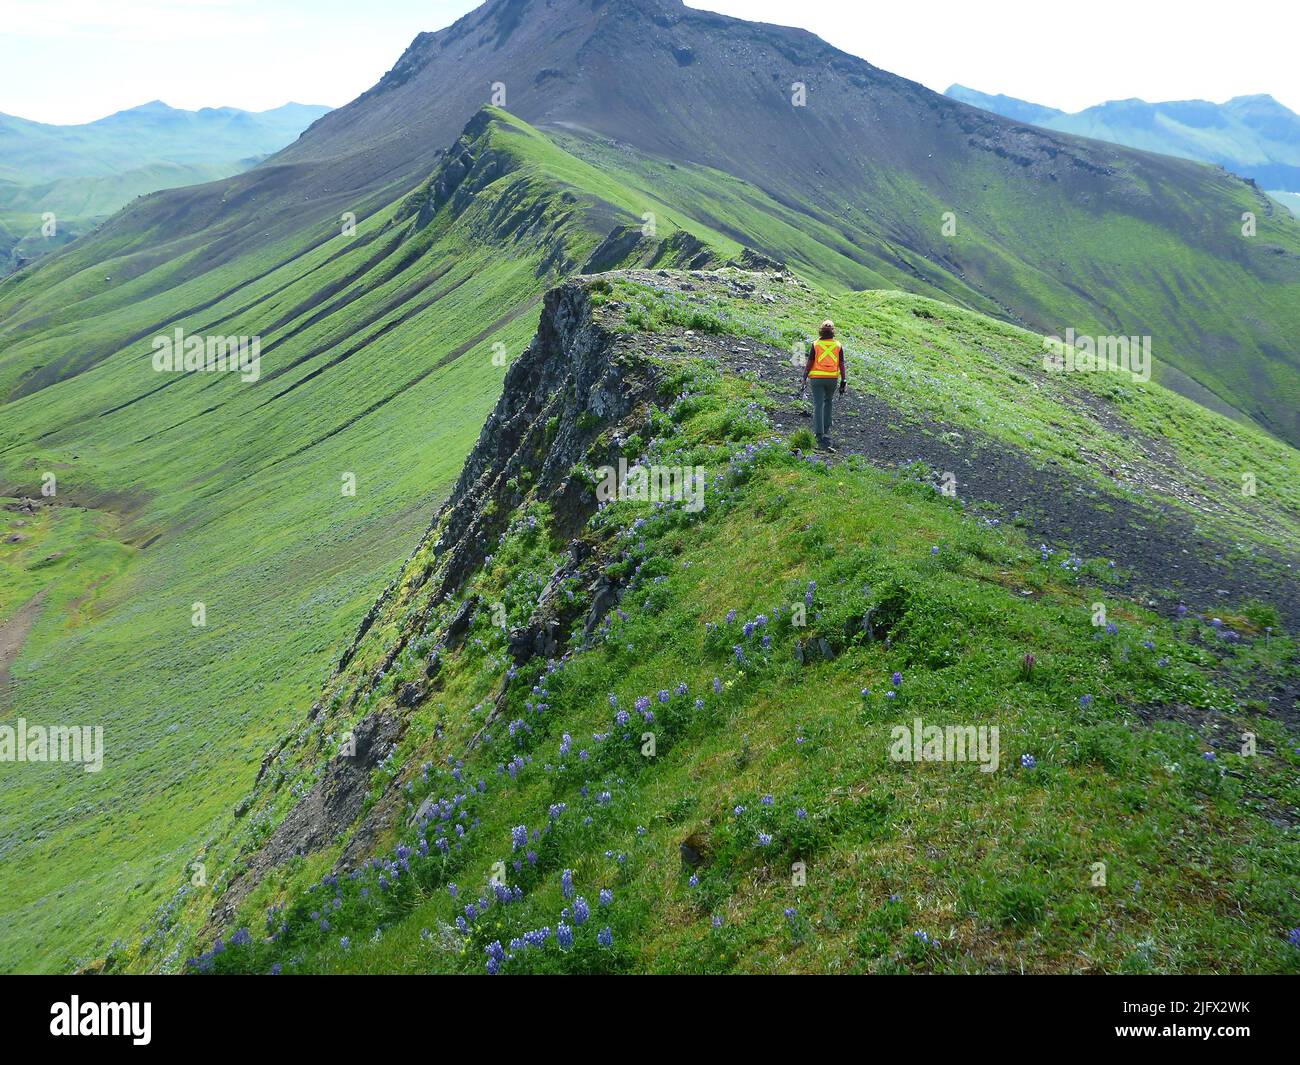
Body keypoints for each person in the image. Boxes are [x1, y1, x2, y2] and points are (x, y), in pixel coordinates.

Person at [803, 319, 846, 449]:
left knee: (818, 404)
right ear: (833, 331)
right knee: (829, 401)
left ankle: (819, 433)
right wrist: (844, 380)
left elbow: (810, 362)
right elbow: (841, 364)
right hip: (832, 378)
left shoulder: (815, 344)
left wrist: (804, 377)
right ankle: (826, 429)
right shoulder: (838, 345)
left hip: (817, 378)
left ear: (821, 330)